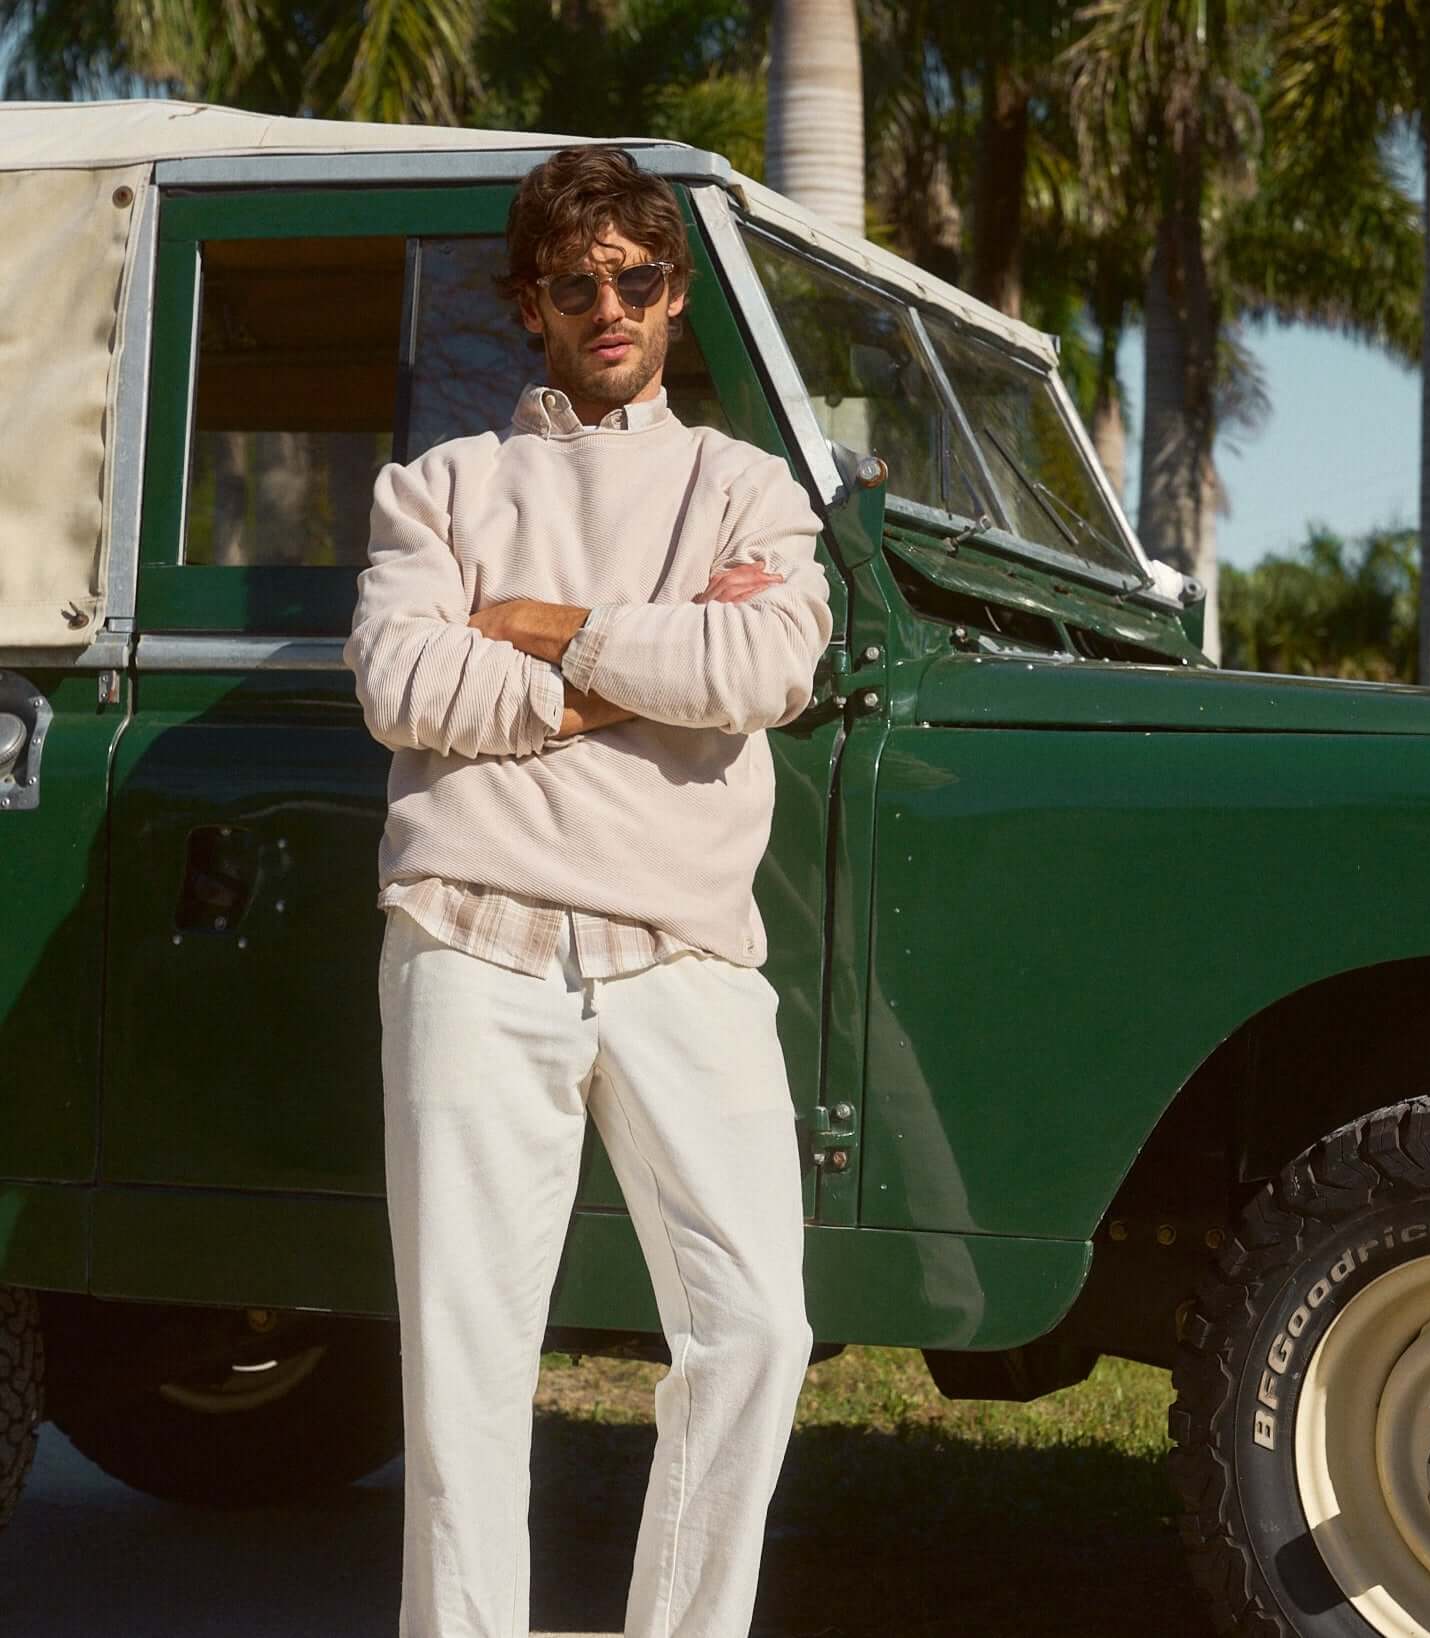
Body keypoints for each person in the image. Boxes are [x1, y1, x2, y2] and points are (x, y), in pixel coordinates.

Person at [344, 144, 833, 1638]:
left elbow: (763, 666)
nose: (608, 303)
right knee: (466, 1364)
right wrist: (650, 662)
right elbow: (401, 679)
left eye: (635, 276)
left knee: (755, 1326)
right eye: (576, 282)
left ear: (676, 295)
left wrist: (544, 630)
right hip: (468, 945)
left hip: (683, 953)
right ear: (529, 305)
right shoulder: (438, 487)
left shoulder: (747, 485)